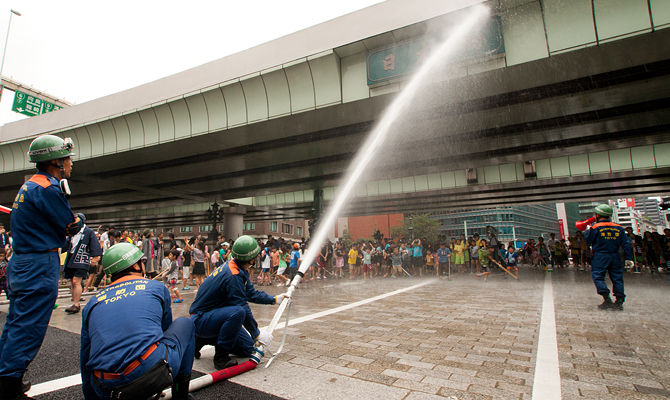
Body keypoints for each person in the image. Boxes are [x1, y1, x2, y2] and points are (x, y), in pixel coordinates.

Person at [0, 135, 82, 399]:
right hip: (38, 263)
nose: (70, 164)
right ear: (55, 161)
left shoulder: (30, 185)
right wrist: (79, 218)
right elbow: (69, 225)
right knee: (29, 327)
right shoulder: (48, 188)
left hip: (23, 262)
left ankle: (7, 374)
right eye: (67, 159)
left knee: (16, 323)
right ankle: (9, 384)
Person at [80, 243, 195, 400]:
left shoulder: (93, 302)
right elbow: (164, 331)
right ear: (135, 265)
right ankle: (179, 395)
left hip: (104, 387)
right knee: (185, 324)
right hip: (147, 374)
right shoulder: (155, 287)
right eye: (143, 262)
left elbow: (85, 356)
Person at [189, 236, 289, 370]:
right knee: (238, 312)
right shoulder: (233, 275)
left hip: (213, 316)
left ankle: (203, 339)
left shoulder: (237, 268)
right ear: (252, 258)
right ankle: (220, 358)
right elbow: (241, 305)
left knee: (247, 349)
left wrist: (274, 299)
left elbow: (250, 293)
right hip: (201, 319)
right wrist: (256, 333)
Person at [584, 204, 633, 311]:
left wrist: (588, 229)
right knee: (617, 278)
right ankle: (619, 301)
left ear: (597, 215)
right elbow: (626, 244)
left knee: (598, 276)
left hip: (600, 255)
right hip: (615, 255)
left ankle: (607, 298)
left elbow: (588, 241)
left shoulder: (595, 227)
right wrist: (629, 258)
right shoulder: (619, 227)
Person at [63, 213, 103, 314]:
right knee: (72, 281)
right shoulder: (72, 231)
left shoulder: (88, 232)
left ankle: (76, 304)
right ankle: (75, 301)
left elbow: (95, 245)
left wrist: (95, 257)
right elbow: (66, 244)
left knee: (76, 280)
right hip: (71, 257)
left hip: (82, 258)